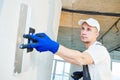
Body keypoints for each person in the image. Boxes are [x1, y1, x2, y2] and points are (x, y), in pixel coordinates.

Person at [20, 18, 112, 80]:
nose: (84, 32)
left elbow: (81, 59)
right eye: (83, 28)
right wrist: (85, 73)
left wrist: (52, 45)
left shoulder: (100, 50)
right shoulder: (89, 51)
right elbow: (73, 59)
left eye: (89, 29)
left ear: (96, 34)